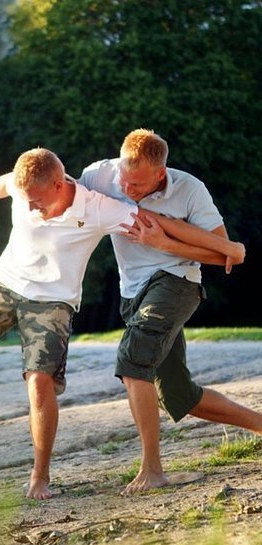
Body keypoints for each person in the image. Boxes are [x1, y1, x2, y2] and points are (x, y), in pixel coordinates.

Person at [0, 147, 244, 500]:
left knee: (39, 381)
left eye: (36, 200)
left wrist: (228, 247)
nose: (30, 207)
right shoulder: (23, 189)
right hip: (3, 283)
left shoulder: (98, 207)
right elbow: (3, 185)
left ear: (59, 183)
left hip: (52, 301)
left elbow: (167, 226)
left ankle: (40, 476)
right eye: (26, 199)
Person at [79, 128, 261, 494]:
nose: (128, 190)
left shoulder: (189, 189)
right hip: (132, 293)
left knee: (132, 360)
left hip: (177, 282)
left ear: (161, 174)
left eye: (139, 185)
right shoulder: (100, 175)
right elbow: (55, 188)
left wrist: (163, 243)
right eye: (124, 183)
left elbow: (222, 253)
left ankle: (152, 470)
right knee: (179, 396)